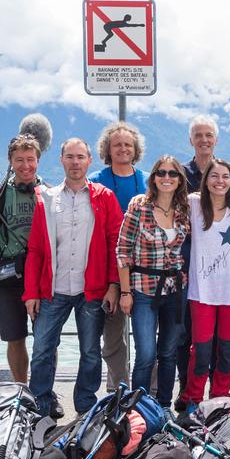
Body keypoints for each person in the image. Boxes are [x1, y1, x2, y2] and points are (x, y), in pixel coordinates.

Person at [23, 138, 123, 418]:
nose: (76, 162)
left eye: (81, 157)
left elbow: (115, 242)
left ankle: (85, 404)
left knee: (90, 351)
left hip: (91, 290)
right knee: (42, 348)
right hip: (52, 290)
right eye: (70, 157)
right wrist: (31, 292)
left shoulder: (104, 197)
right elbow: (35, 249)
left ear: (90, 160)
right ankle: (40, 404)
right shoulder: (47, 198)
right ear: (61, 160)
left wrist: (114, 285)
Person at [117, 155, 190, 408]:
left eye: (173, 173)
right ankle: (137, 408)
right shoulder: (139, 207)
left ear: (180, 179)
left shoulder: (183, 211)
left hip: (175, 290)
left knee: (168, 353)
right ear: (154, 177)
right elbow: (123, 251)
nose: (167, 178)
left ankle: (163, 407)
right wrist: (125, 292)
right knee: (146, 354)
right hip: (143, 290)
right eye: (161, 173)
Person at [180, 159, 230, 407]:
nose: (220, 181)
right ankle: (193, 397)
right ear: (205, 179)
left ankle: (221, 396)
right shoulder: (193, 204)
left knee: (228, 349)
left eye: (225, 176)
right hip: (202, 291)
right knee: (200, 349)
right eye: (214, 176)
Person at [0, 133, 43, 384]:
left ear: (38, 160)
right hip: (10, 274)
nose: (26, 165)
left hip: (41, 275)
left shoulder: (48, 193)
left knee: (46, 337)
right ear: (10, 162)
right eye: (19, 160)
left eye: (30, 159)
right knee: (14, 337)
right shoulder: (0, 193)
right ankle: (20, 388)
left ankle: (44, 389)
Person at [90, 121, 148, 391]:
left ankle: (150, 393)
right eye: (117, 145)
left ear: (135, 148)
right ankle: (117, 392)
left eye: (128, 144)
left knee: (148, 339)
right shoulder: (96, 182)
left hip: (147, 269)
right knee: (113, 339)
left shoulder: (149, 180)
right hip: (110, 272)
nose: (123, 149)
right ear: (108, 150)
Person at [183, 114, 230, 194]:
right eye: (198, 135)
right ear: (191, 141)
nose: (204, 140)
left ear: (216, 140)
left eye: (209, 135)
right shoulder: (180, 173)